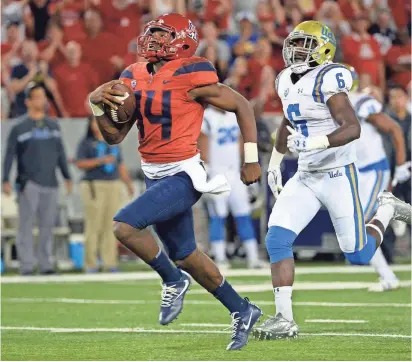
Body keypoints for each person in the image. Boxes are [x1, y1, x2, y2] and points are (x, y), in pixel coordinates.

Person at [88, 13, 262, 351]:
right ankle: (242, 309)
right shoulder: (132, 75)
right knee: (187, 255)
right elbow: (114, 137)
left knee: (124, 227)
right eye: (151, 33)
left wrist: (252, 157)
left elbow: (241, 104)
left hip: (184, 173)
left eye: (161, 34)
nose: (152, 39)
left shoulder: (191, 72)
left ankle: (171, 279)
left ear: (182, 40)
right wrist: (97, 105)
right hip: (154, 175)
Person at [252, 20, 412, 340]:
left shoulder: (329, 76)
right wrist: (274, 162)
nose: (296, 50)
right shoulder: (286, 79)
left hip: (338, 174)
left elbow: (353, 127)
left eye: (305, 45)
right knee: (276, 239)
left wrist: (313, 143)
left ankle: (386, 209)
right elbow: (288, 122)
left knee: (358, 254)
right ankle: (285, 319)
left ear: (324, 49)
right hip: (306, 175)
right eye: (294, 43)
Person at [346, 65, 410, 292]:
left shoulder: (360, 102)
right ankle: (387, 275)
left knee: (359, 226)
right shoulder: (333, 106)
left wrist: (401, 165)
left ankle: (389, 210)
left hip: (374, 170)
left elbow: (394, 129)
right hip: (357, 172)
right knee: (356, 227)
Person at [2, 83, 72, 275]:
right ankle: (26, 264)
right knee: (26, 224)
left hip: (51, 182)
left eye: (44, 97)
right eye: (38, 97)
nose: (43, 101)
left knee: (47, 225)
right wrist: (5, 179)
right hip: (28, 182)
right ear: (29, 101)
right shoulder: (19, 127)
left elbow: (60, 153)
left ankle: (45, 263)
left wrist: (67, 176)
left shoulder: (53, 126)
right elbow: (9, 155)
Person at [198, 105, 268, 270]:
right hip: (216, 173)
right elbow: (202, 143)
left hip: (235, 172)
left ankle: (253, 257)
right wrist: (205, 171)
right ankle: (220, 258)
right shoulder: (207, 116)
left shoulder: (233, 115)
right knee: (218, 216)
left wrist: (248, 166)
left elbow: (240, 142)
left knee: (243, 215)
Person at [74, 116, 135, 273]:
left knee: (111, 226)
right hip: (94, 184)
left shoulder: (113, 141)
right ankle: (91, 263)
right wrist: (101, 161)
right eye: (94, 122)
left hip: (113, 184)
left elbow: (120, 164)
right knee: (94, 225)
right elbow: (79, 163)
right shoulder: (86, 143)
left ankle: (110, 262)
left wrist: (128, 184)